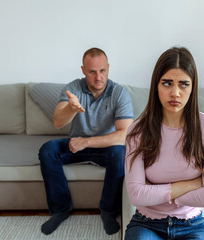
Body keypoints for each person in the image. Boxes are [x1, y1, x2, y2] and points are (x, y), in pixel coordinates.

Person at [124, 47, 204, 240]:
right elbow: (136, 195)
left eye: (184, 84)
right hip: (146, 224)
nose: (175, 93)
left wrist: (155, 191)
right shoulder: (137, 131)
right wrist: (194, 184)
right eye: (167, 83)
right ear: (156, 85)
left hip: (191, 225)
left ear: (193, 87)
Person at [38, 47, 134, 235]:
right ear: (83, 70)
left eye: (102, 71)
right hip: (75, 144)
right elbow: (58, 122)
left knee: (120, 153)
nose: (98, 77)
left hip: (105, 147)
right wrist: (72, 109)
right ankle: (60, 210)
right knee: (48, 150)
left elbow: (125, 135)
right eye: (92, 72)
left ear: (108, 68)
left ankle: (108, 211)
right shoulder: (73, 88)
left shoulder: (119, 93)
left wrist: (87, 142)